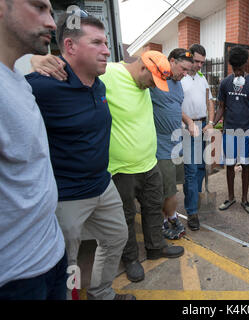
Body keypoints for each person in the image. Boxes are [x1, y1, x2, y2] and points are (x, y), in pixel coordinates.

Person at [31, 50, 185, 284]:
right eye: (152, 81)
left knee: (153, 208)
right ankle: (131, 259)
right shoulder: (110, 73)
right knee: (125, 217)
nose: (153, 87)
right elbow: (75, 68)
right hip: (121, 168)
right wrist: (39, 60)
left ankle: (156, 247)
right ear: (143, 67)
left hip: (149, 162)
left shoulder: (145, 84)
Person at [27, 12, 133, 300]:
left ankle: (101, 293)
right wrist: (28, 60)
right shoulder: (41, 86)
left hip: (102, 185)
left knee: (116, 238)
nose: (107, 50)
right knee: (66, 262)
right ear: (71, 47)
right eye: (97, 42)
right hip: (66, 197)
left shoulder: (98, 84)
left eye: (106, 42)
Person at [0, 0, 67, 300]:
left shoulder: (16, 77)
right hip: (16, 278)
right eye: (39, 8)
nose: (52, 23)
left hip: (50, 253)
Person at [151, 48, 193, 240]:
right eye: (183, 69)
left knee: (173, 189)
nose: (184, 74)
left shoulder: (178, 85)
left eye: (187, 71)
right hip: (160, 147)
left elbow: (175, 107)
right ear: (171, 61)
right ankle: (162, 224)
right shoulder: (154, 80)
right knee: (164, 191)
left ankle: (172, 217)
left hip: (176, 144)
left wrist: (189, 121)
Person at [213, 46, 249, 214]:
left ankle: (245, 200)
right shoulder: (225, 83)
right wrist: (213, 123)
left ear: (245, 65)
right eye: (235, 69)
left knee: (246, 166)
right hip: (229, 131)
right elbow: (221, 107)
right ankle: (231, 197)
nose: (238, 73)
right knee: (230, 165)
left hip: (247, 131)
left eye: (240, 69)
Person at [181, 44, 216, 231]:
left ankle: (195, 197)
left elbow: (209, 100)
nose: (199, 65)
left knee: (202, 167)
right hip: (188, 128)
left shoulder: (202, 78)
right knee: (192, 171)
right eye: (196, 61)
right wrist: (189, 123)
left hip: (202, 126)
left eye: (202, 62)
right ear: (189, 58)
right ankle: (192, 211)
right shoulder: (181, 77)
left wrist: (210, 122)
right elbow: (175, 104)